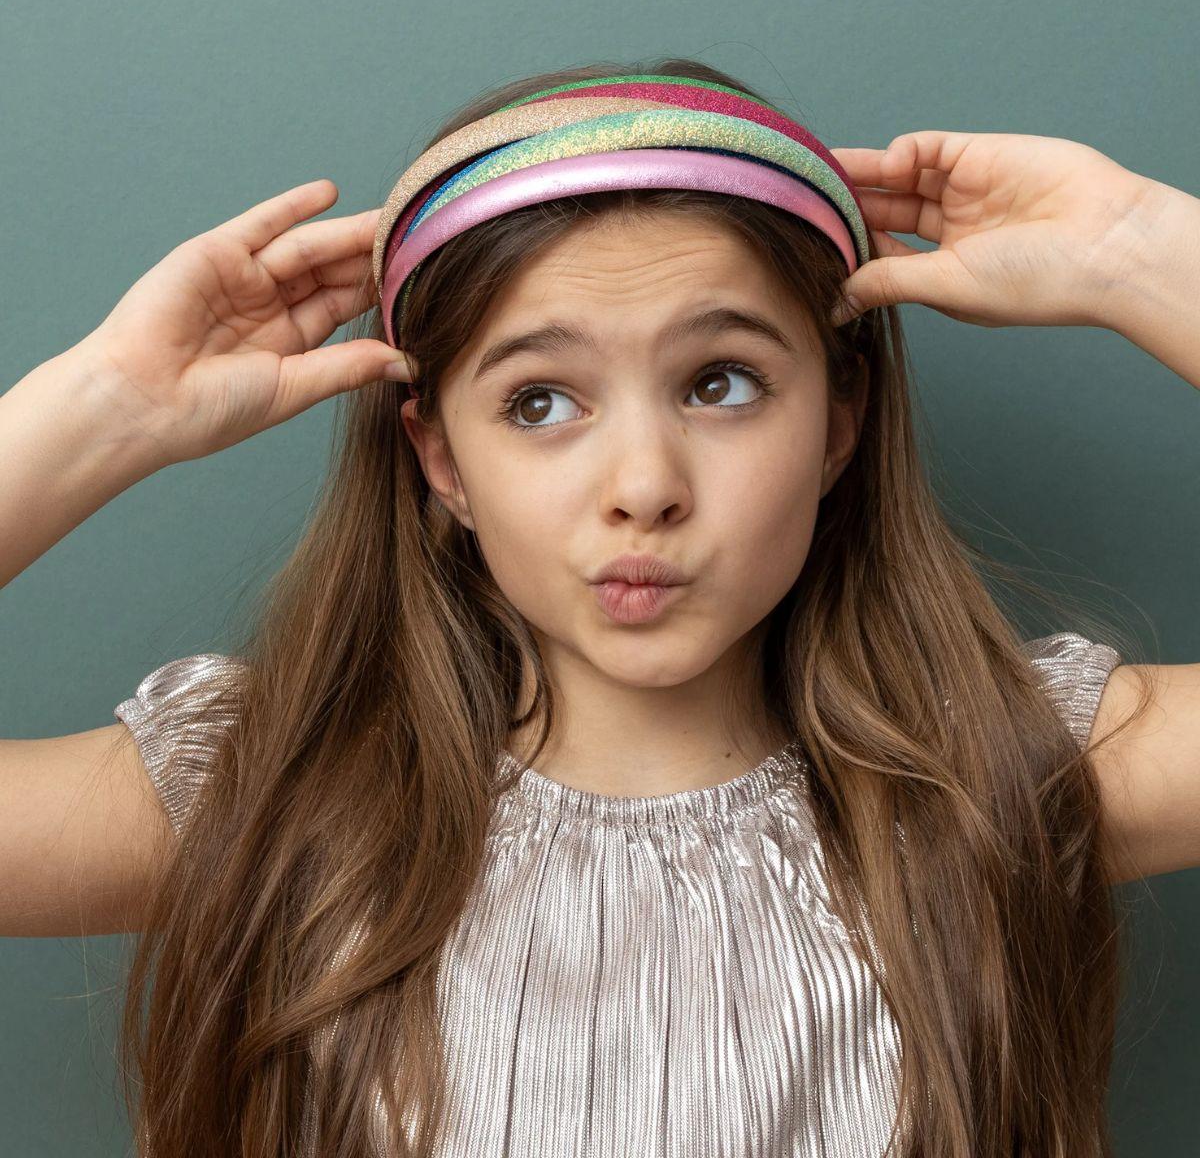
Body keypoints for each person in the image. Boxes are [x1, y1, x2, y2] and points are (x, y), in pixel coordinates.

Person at [1, 58, 1197, 1158]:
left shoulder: (1001, 772)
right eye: (539, 403)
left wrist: (1143, 253)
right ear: (441, 461)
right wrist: (105, 406)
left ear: (839, 421)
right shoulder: (277, 792)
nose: (643, 488)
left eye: (720, 384)